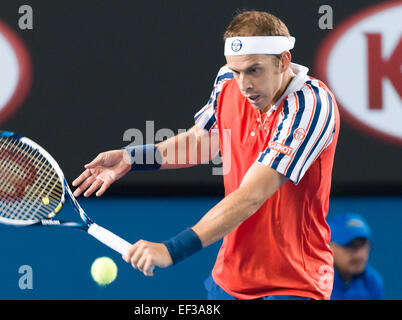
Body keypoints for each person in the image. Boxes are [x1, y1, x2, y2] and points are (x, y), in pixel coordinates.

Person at [72, 10, 340, 300]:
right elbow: (203, 142)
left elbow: (252, 194)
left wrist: (172, 250)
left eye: (254, 69)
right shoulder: (227, 82)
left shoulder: (311, 106)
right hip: (229, 280)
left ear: (284, 60)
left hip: (294, 285)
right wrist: (132, 158)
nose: (244, 85)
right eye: (236, 71)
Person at [328, 213, 384, 300]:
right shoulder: (315, 280)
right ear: (330, 246)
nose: (359, 254)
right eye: (350, 245)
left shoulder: (372, 282)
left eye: (363, 245)